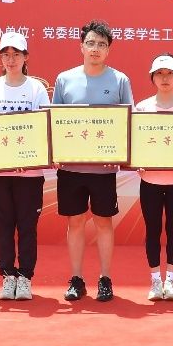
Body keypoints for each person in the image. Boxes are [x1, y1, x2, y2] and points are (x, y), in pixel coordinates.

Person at [52, 20, 134, 302]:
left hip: (104, 169)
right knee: (75, 222)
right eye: (90, 43)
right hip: (71, 168)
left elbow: (128, 121)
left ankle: (105, 279)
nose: (95, 49)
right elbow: (55, 122)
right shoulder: (64, 79)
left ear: (108, 50)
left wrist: (121, 155)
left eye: (101, 44)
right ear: (81, 47)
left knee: (103, 222)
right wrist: (55, 153)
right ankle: (76, 279)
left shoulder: (120, 80)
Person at [0, 31, 50, 301]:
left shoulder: (37, 89)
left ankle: (25, 277)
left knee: (28, 227)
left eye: (16, 54)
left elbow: (43, 128)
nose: (11, 59)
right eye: (6, 55)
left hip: (30, 173)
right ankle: (8, 276)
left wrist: (26, 159)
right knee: (3, 226)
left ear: (25, 57)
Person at [135, 53, 173, 301]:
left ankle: (170, 281)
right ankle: (155, 281)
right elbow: (136, 143)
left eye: (170, 73)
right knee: (152, 231)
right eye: (159, 73)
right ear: (152, 77)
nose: (164, 78)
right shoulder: (142, 108)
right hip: (150, 181)